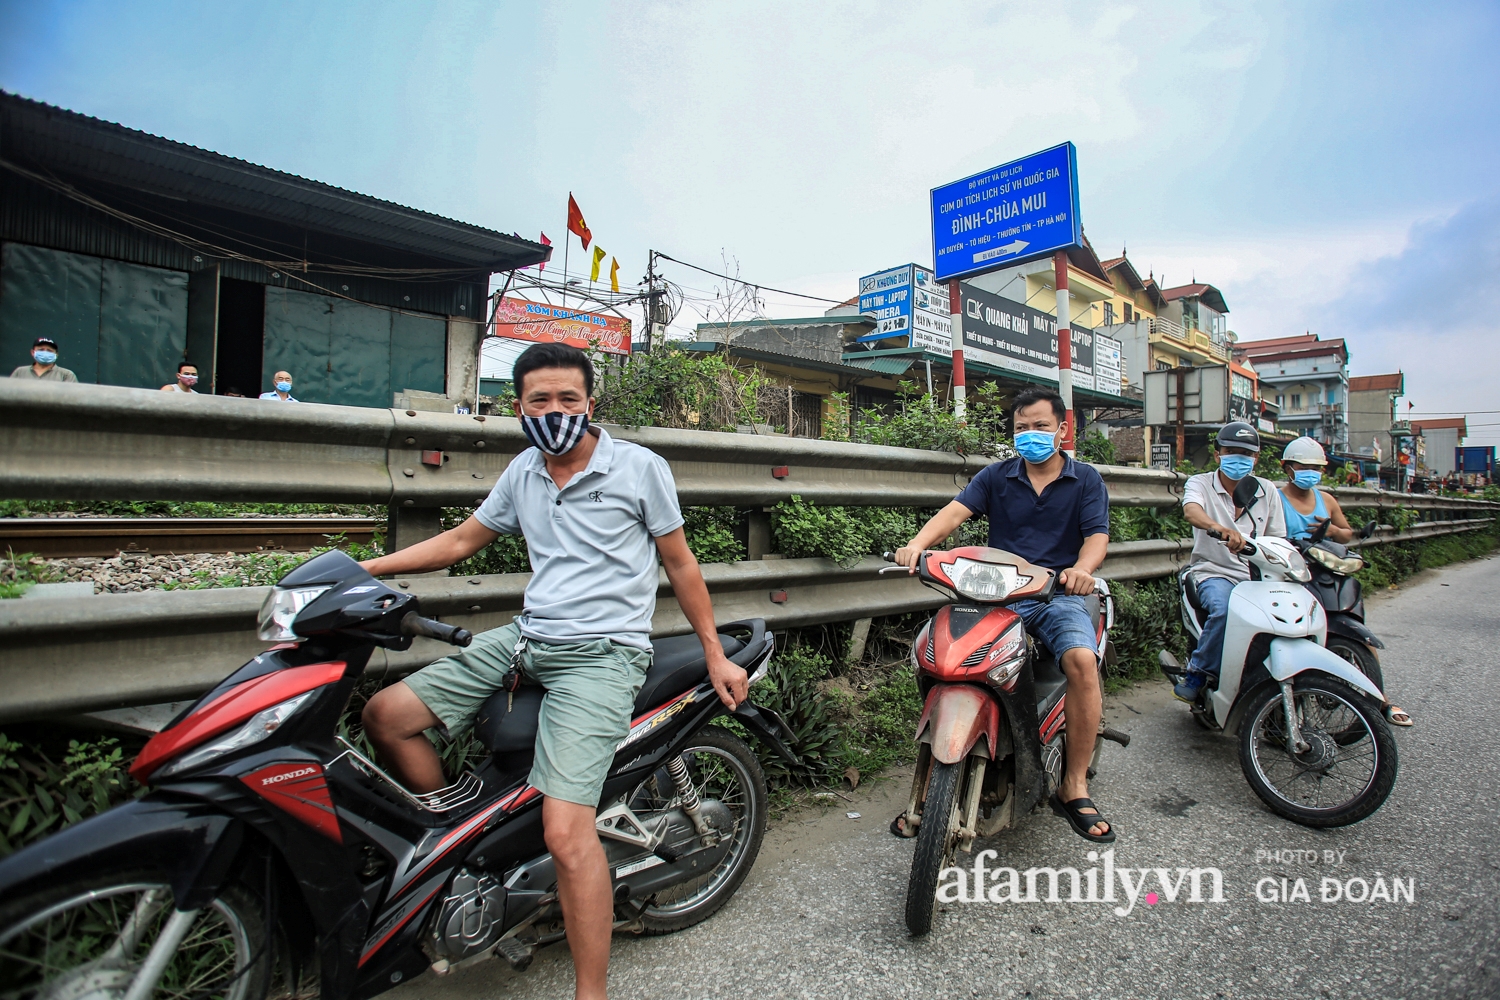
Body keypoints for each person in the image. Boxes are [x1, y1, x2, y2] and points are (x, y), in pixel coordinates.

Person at [359, 342, 744, 1000]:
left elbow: (680, 564)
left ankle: (589, 991)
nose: (556, 411)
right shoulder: (524, 472)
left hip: (604, 654)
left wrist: (714, 651)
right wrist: (364, 571)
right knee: (385, 717)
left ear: (591, 403)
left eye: (569, 399)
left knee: (567, 834)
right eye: (541, 400)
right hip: (527, 640)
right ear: (520, 408)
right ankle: (467, 855)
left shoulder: (638, 468)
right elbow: (459, 541)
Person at [893, 388, 1114, 843]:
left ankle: (1074, 785)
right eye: (1021, 428)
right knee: (946, 655)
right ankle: (943, 769)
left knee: (1080, 662)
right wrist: (917, 544)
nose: (1030, 435)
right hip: (1001, 593)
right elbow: (954, 513)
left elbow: (1096, 538)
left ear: (1062, 429)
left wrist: (1081, 570)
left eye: (1040, 426)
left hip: (1058, 593)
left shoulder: (1086, 480)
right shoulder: (996, 476)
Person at [1278, 437, 1413, 727]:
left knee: (1354, 624)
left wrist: (1329, 530)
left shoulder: (1325, 500)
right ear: (1287, 468)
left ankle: (1382, 699)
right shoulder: (1275, 498)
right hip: (1289, 574)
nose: (1311, 472)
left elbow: (1347, 534)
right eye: (1304, 466)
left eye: (1316, 468)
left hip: (1326, 569)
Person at [1176, 422, 1287, 702]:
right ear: (1218, 454)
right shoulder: (1200, 483)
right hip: (1213, 572)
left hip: (1257, 578)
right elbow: (1191, 511)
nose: (1238, 458)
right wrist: (1218, 527)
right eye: (1231, 451)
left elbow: (1278, 539)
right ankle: (1197, 671)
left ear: (1256, 458)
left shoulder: (1268, 490)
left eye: (1245, 453)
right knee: (1225, 610)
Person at [10, 337, 78, 382]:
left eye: (49, 350)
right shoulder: (20, 372)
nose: (45, 353)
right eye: (41, 350)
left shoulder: (66, 375)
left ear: (56, 354)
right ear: (33, 352)